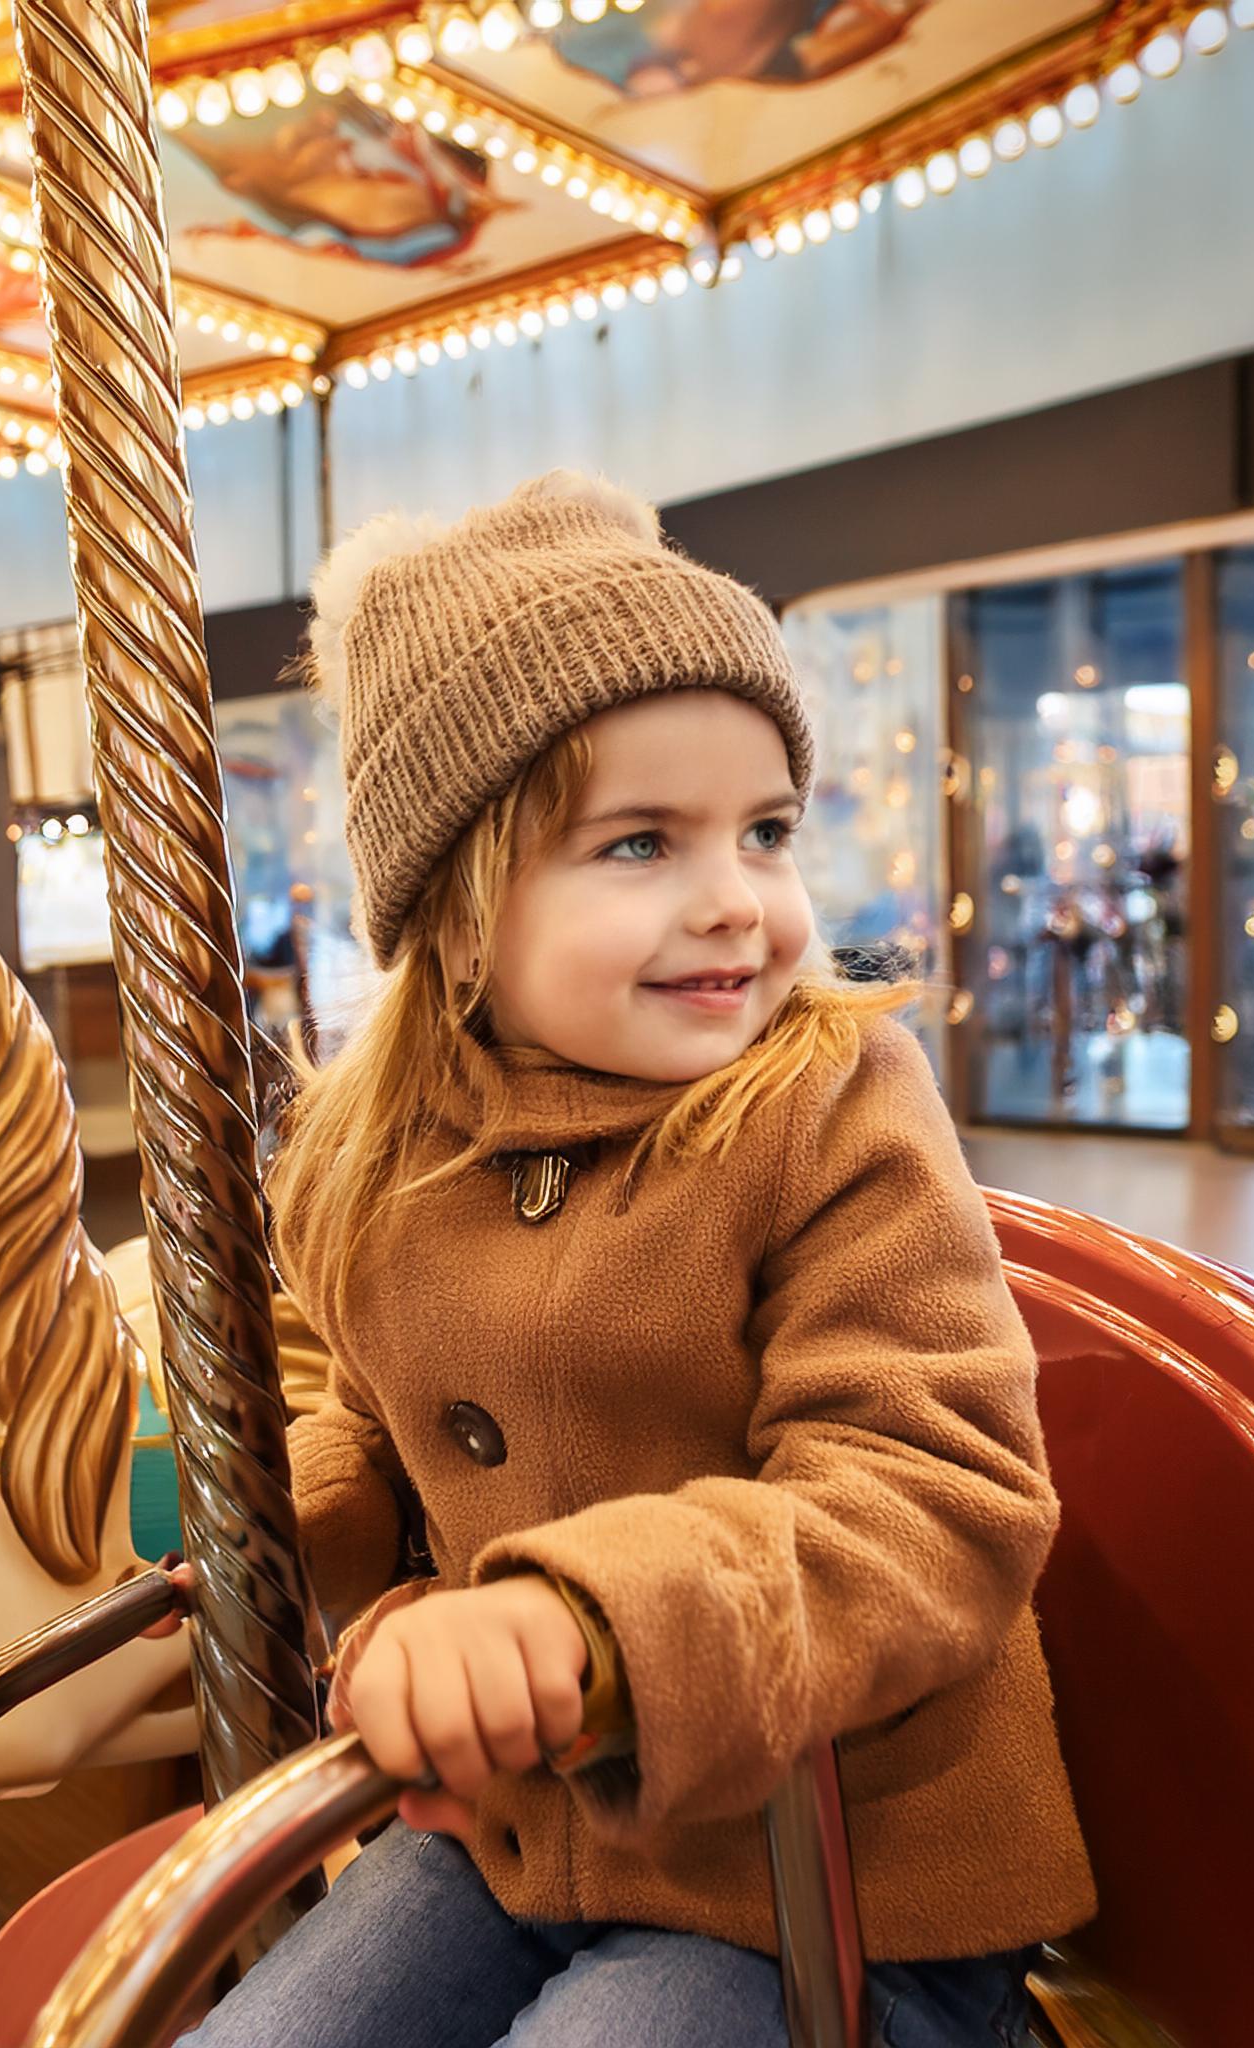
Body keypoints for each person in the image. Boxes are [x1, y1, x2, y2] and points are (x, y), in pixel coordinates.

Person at [185, 472, 1094, 2048]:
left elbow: (930, 1490)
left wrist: (580, 1629)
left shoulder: (827, 1107)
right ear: (459, 906)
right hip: (531, 1831)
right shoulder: (374, 1149)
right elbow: (347, 1380)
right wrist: (282, 1522)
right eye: (640, 846)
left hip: (841, 1873)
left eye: (765, 832)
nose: (736, 902)